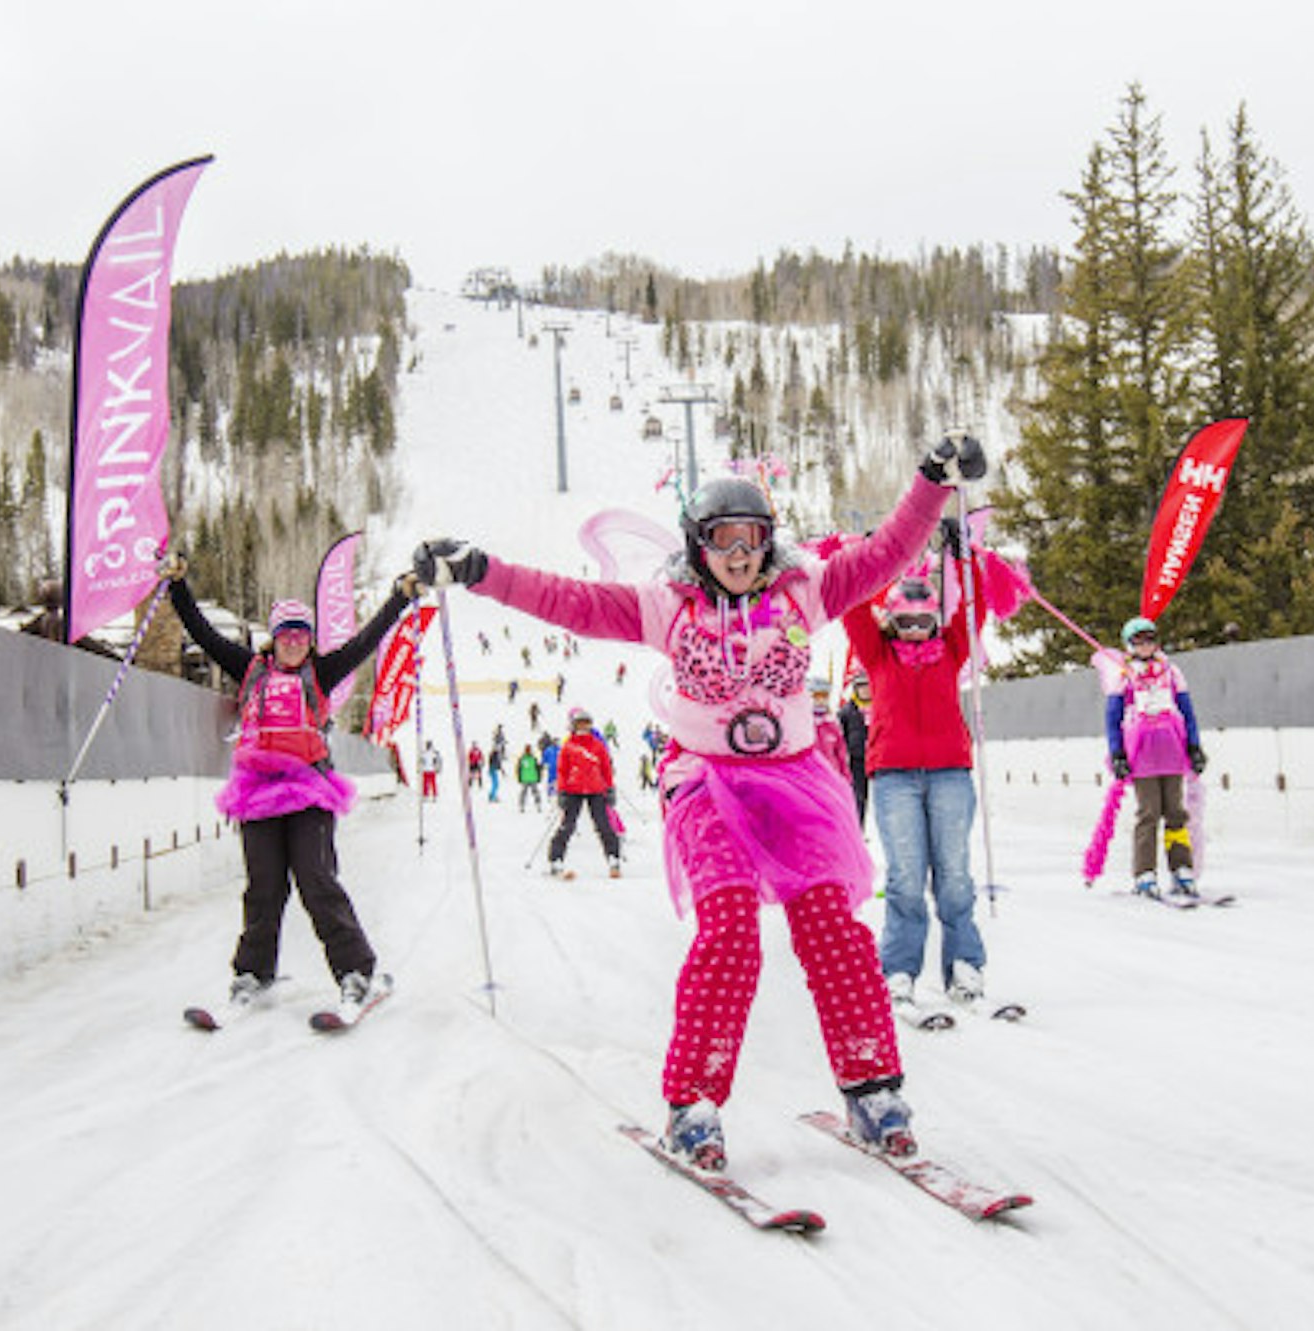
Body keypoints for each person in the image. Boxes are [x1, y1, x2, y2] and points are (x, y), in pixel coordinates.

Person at [412, 433, 985, 1169]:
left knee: (832, 931)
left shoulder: (803, 592)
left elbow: (888, 553)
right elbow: (570, 602)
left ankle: (873, 1089)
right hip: (708, 785)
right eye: (723, 540)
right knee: (730, 932)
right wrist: (480, 571)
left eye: (753, 538)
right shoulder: (668, 608)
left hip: (796, 785)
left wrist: (932, 480)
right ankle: (694, 1104)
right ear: (697, 544)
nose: (740, 555)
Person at [158, 552, 416, 1018]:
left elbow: (367, 640)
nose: (294, 643)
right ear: (273, 640)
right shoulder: (250, 669)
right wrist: (177, 586)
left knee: (316, 880)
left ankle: (356, 972)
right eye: (286, 635)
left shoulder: (321, 672)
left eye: (302, 635)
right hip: (257, 792)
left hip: (308, 789)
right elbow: (203, 632)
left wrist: (399, 598)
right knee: (263, 886)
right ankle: (253, 974)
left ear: (310, 641)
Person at [842, 564, 989, 1010]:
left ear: (935, 619)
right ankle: (899, 969)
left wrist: (964, 559)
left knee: (954, 874)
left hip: (950, 772)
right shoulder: (877, 654)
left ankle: (964, 963)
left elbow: (975, 607)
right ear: (890, 620)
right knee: (905, 877)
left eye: (923, 621)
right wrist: (873, 562)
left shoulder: (951, 651)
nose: (914, 631)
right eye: (904, 622)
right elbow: (852, 607)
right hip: (894, 776)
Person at [1104, 617, 1208, 899]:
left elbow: (1187, 712)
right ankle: (1144, 873)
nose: (1146, 646)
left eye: (1150, 639)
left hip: (1171, 748)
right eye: (1139, 641)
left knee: (1175, 812)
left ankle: (1181, 868)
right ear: (1129, 645)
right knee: (1149, 813)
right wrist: (1117, 753)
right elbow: (1112, 719)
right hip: (1142, 752)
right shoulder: (1123, 676)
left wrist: (1194, 746)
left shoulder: (1171, 672)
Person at [548, 707, 623, 877]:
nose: (583, 727)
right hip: (573, 789)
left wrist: (610, 788)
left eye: (586, 724)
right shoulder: (568, 746)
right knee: (567, 825)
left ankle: (613, 858)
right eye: (579, 724)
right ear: (573, 726)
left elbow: (606, 768)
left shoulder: (597, 745)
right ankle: (556, 859)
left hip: (596, 789)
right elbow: (562, 771)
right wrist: (562, 791)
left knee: (603, 824)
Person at [838, 670, 872, 824]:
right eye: (861, 687)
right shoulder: (847, 711)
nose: (865, 690)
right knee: (858, 796)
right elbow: (841, 736)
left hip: (878, 760)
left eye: (867, 686)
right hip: (857, 760)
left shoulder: (880, 708)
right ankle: (858, 826)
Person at [515, 743, 545, 812]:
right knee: (525, 793)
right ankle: (522, 805)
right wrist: (519, 777)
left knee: (533, 792)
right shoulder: (523, 758)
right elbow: (518, 769)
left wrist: (539, 775)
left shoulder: (533, 758)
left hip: (531, 778)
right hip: (526, 778)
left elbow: (538, 768)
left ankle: (537, 805)